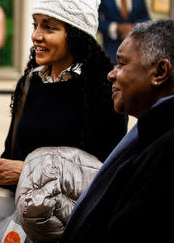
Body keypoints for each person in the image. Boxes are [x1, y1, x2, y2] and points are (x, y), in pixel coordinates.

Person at [0, 0, 127, 192]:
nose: (36, 36)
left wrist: (29, 172)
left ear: (77, 34)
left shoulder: (106, 90)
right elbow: (12, 166)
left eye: (48, 27)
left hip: (78, 222)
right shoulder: (30, 83)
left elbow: (106, 176)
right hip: (23, 220)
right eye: (35, 25)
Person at [60, 19, 174, 242]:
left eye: (121, 64)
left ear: (160, 72)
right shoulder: (150, 133)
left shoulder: (166, 149)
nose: (111, 74)